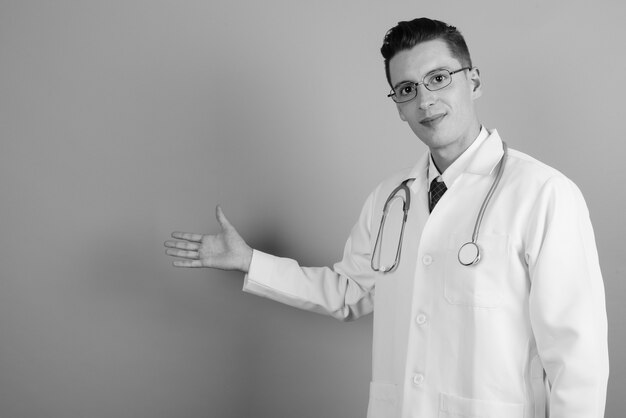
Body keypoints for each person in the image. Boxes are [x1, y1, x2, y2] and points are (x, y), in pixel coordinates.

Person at [164, 18, 608, 418]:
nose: (425, 100)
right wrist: (250, 262)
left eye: (438, 78)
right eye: (408, 88)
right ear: (397, 104)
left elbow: (576, 354)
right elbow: (348, 292)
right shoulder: (389, 199)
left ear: (473, 81)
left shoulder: (544, 193)